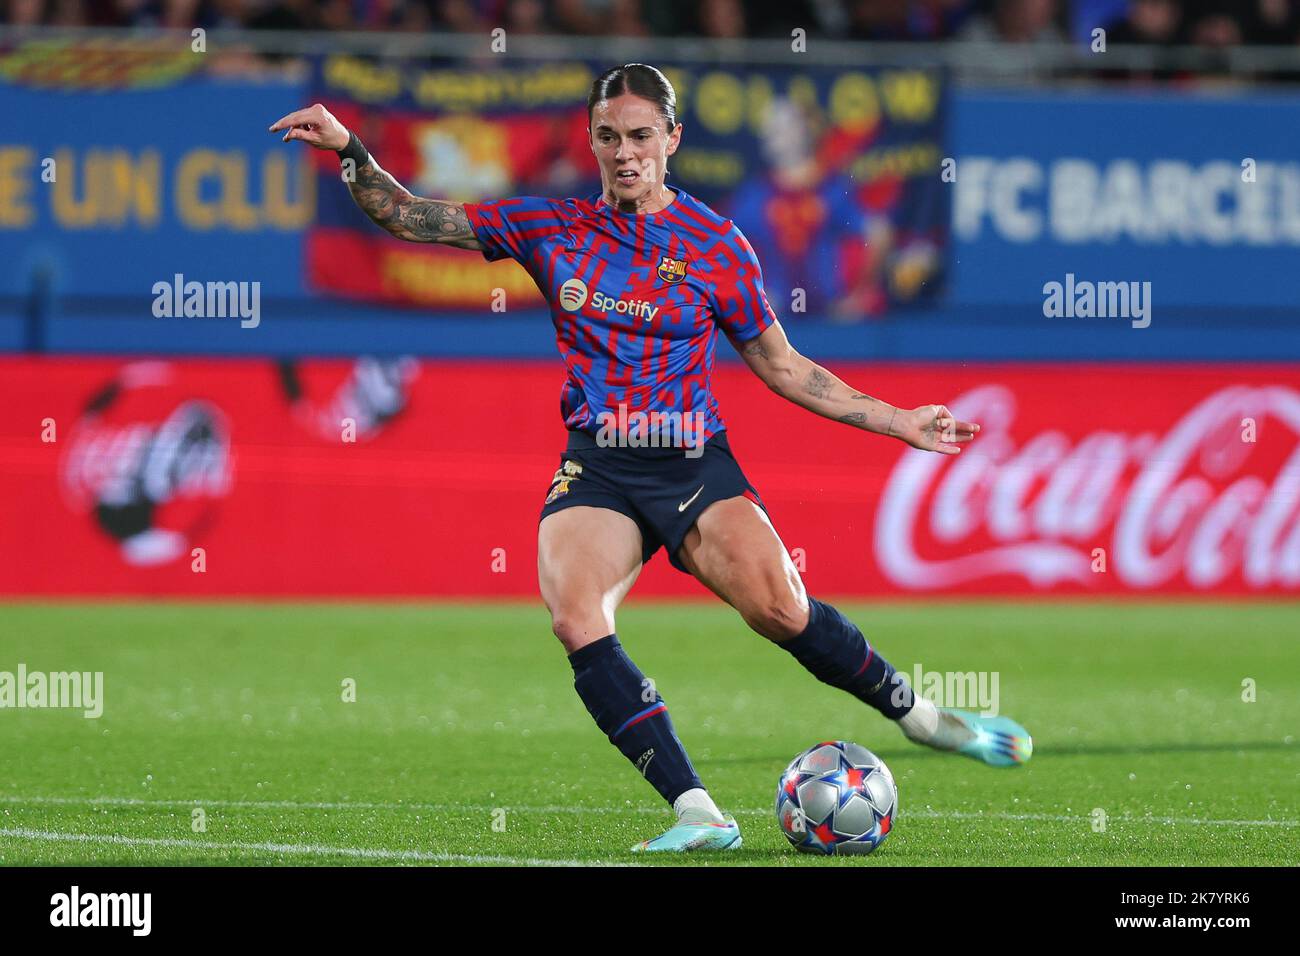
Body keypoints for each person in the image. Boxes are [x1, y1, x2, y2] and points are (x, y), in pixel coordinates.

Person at [269, 63, 1032, 854]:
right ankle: (698, 809)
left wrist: (899, 420)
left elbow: (785, 368)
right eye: (608, 137)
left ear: (671, 139)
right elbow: (413, 217)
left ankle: (925, 719)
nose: (625, 152)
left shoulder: (715, 247)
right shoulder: (550, 227)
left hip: (692, 466)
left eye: (640, 136)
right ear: (592, 142)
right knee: (575, 616)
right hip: (598, 467)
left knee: (784, 614)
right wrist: (352, 149)